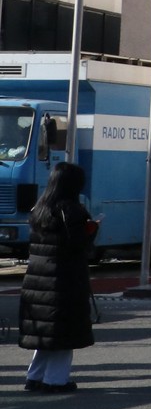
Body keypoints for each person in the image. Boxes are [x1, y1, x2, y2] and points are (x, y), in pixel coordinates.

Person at [17, 161, 94, 393]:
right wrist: (93, 230)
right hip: (63, 281)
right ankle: (55, 381)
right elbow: (77, 244)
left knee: (46, 336)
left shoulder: (39, 209)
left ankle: (34, 377)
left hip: (37, 281)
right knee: (63, 335)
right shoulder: (70, 210)